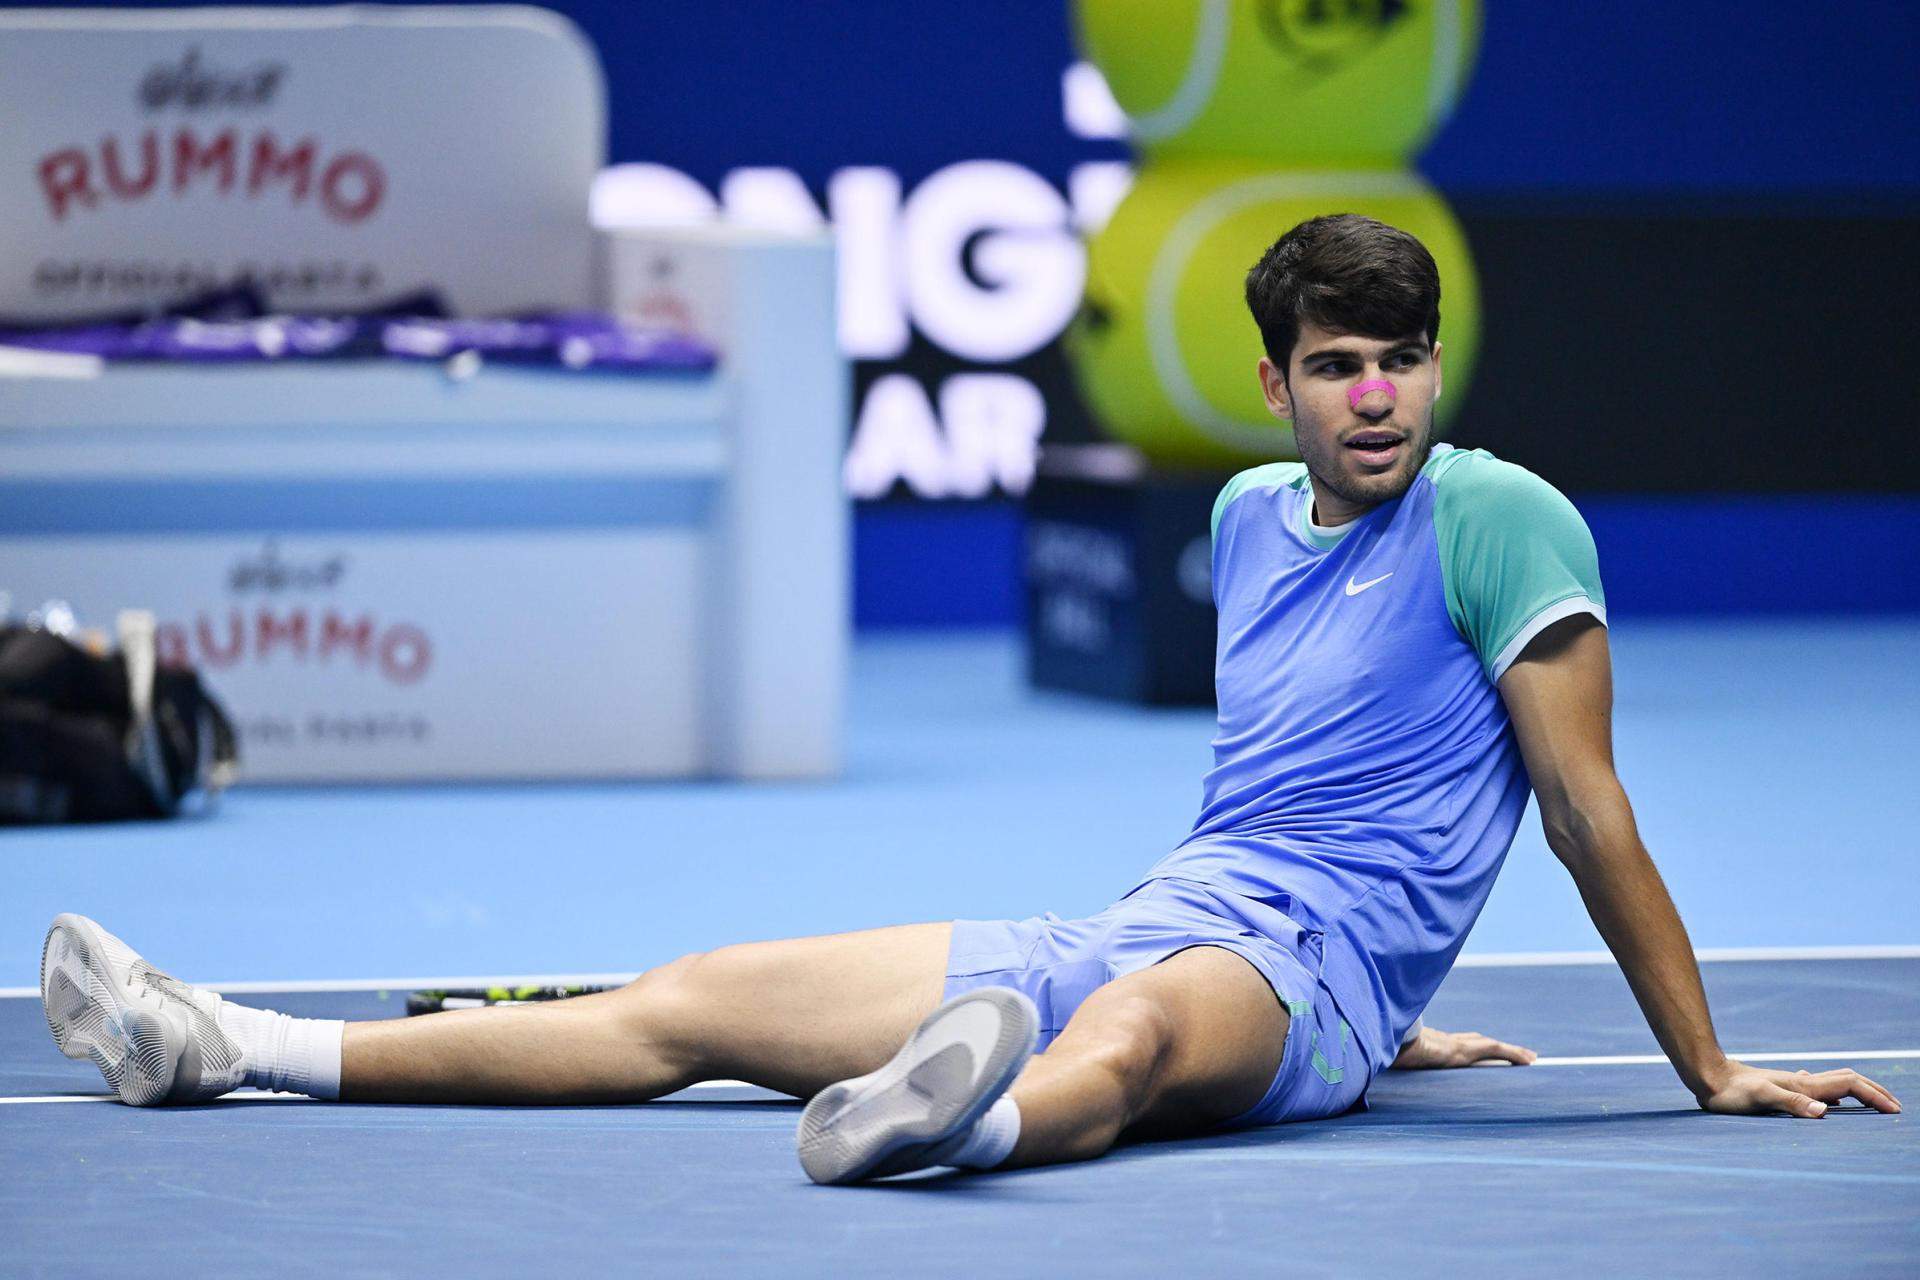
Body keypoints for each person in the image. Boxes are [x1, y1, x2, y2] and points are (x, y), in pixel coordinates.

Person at [39, 214, 1900, 1185]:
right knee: (689, 1000)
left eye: (1403, 360)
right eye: (1339, 365)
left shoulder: (1502, 518)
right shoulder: (1251, 521)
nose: (1379, 397)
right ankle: (230, 1045)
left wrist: (1708, 1067)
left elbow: (1584, 815)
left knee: (1148, 1044)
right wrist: (1403, 1002)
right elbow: (1298, 787)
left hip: (1295, 990)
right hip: (1174, 916)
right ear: (1274, 383)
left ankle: (956, 1128)